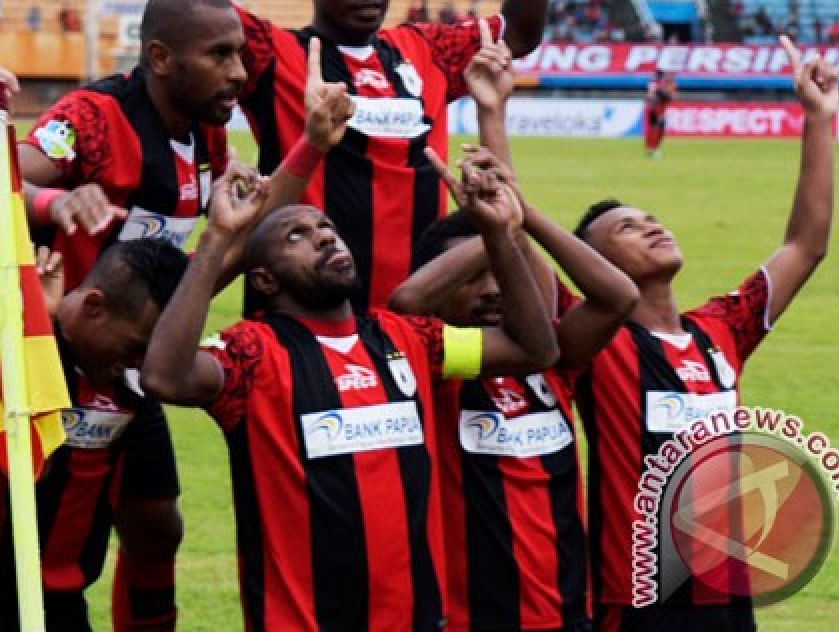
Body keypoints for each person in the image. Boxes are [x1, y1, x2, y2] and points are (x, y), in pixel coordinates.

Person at [140, 159, 559, 630]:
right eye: (295, 236)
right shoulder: (250, 354)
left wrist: (500, 235)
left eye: (326, 227)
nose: (324, 236)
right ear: (264, 281)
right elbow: (164, 378)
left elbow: (533, 347)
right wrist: (218, 239)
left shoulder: (408, 339)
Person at [162, 0, 567, 310]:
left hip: (415, 325)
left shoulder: (425, 49)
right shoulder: (275, 53)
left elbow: (519, 31)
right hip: (299, 324)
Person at [0, 66, 191, 631]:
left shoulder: (131, 373)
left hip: (63, 607)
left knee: (160, 523)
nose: (145, 365)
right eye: (138, 346)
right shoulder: (9, 323)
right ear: (93, 307)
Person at [573, 34, 837, 632]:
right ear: (598, 267)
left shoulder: (722, 330)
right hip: (637, 598)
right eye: (627, 229)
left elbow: (806, 245)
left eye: (650, 218)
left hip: (726, 592)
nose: (651, 226)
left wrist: (818, 120)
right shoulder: (594, 345)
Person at [390, 39, 638, 632]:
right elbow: (407, 304)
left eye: (498, 275)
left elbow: (617, 297)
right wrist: (494, 232)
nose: (494, 290)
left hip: (568, 615)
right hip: (472, 617)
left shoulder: (550, 358)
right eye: (472, 279)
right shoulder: (430, 366)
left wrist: (496, 131)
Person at [0, 0, 354, 297]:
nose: (238, 72)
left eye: (239, 54)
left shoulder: (208, 132)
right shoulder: (94, 116)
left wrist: (314, 142)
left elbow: (247, 230)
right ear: (161, 59)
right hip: (37, 333)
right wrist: (58, 203)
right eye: (220, 55)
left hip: (121, 351)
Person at [644, 69, 675, 159]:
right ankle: (653, 150)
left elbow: (651, 96)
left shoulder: (654, 84)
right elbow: (664, 97)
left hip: (654, 109)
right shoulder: (659, 85)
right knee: (657, 129)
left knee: (654, 129)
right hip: (656, 109)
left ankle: (650, 149)